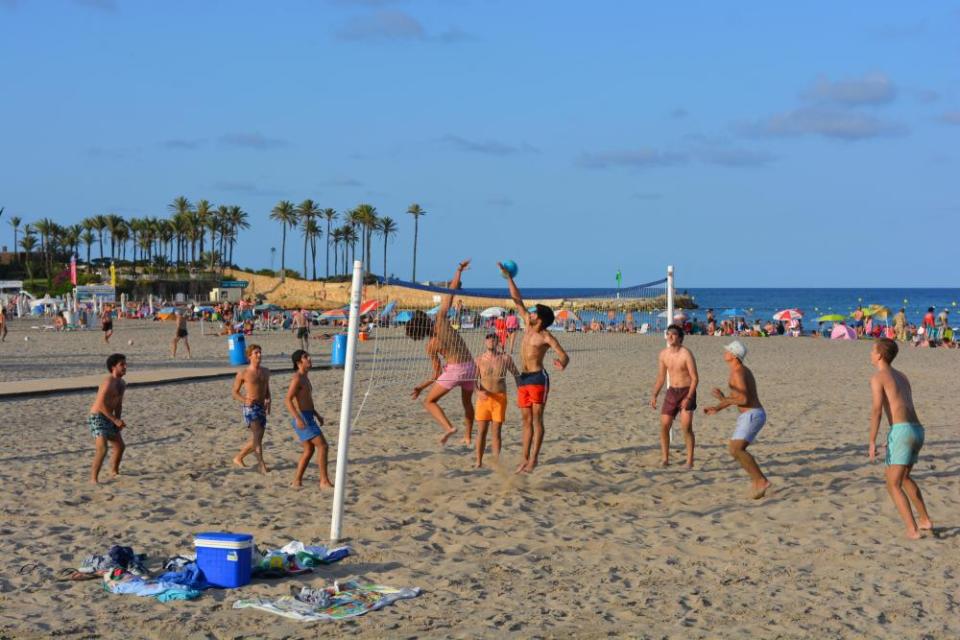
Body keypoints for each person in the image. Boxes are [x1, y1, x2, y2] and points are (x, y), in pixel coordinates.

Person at [500, 262, 570, 474]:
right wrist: (508, 277)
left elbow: (563, 354)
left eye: (533, 313)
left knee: (537, 419)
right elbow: (517, 300)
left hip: (539, 378)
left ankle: (534, 459)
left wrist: (562, 363)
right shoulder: (528, 325)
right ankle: (524, 458)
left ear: (539, 318)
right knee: (525, 419)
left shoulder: (545, 336)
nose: (528, 314)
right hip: (523, 378)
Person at [868, 338, 933, 539]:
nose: (870, 353)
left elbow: (877, 411)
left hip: (902, 430)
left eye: (872, 350)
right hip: (916, 429)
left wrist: (872, 441)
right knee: (904, 478)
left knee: (892, 483)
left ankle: (912, 530)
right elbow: (902, 405)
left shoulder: (878, 377)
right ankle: (925, 520)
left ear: (879, 355)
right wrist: (894, 434)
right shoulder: (902, 376)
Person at [408, 259, 477, 446]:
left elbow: (437, 374)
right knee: (467, 404)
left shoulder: (430, 346)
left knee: (429, 402)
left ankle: (449, 428)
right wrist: (459, 271)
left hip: (455, 370)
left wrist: (422, 388)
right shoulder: (441, 319)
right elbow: (451, 292)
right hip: (472, 367)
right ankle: (468, 437)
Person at [704, 340, 771, 499]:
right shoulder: (740, 370)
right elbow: (736, 397)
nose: (725, 352)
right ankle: (758, 482)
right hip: (750, 415)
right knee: (736, 449)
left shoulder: (738, 372)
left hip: (752, 414)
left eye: (727, 350)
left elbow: (743, 399)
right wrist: (718, 406)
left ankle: (760, 480)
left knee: (736, 449)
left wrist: (722, 400)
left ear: (734, 356)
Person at [650, 324, 699, 468]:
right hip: (672, 392)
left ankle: (689, 461)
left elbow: (695, 378)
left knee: (686, 427)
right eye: (668, 334)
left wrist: (689, 397)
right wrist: (654, 395)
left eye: (673, 334)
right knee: (664, 425)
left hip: (687, 391)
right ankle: (665, 459)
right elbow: (661, 377)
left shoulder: (686, 354)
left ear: (680, 338)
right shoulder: (663, 354)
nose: (670, 337)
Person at [285, 350, 333, 489]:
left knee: (309, 450)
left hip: (309, 415)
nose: (309, 358)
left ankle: (297, 481)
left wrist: (317, 414)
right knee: (323, 446)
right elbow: (287, 400)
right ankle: (323, 481)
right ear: (299, 362)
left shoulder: (305, 377)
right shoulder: (297, 378)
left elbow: (306, 400)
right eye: (306, 357)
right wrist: (298, 418)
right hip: (303, 418)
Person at [473, 332, 520, 468]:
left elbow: (517, 375)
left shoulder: (505, 358)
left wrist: (521, 392)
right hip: (484, 398)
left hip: (500, 398)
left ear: (498, 342)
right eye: (488, 340)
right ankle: (478, 462)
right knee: (481, 431)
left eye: (493, 340)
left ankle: (496, 461)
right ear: (485, 342)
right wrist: (477, 392)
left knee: (496, 432)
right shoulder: (479, 360)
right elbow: (473, 381)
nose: (491, 342)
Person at [232, 343, 272, 474]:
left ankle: (238, 457)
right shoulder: (243, 373)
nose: (259, 355)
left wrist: (268, 399)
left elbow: (266, 388)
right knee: (257, 435)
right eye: (256, 353)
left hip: (261, 407)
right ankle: (262, 465)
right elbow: (234, 392)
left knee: (257, 439)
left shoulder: (266, 371)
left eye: (260, 352)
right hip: (250, 408)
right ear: (250, 356)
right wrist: (245, 400)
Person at [88, 353, 128, 483]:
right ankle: (94, 479)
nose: (125, 367)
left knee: (120, 446)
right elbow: (100, 405)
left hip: (110, 418)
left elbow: (119, 404)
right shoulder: (108, 382)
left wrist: (118, 420)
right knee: (102, 448)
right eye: (122, 364)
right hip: (97, 417)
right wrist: (115, 420)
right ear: (113, 367)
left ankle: (114, 472)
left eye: (125, 364)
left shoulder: (122, 383)